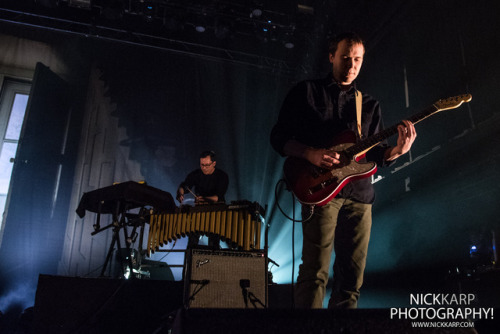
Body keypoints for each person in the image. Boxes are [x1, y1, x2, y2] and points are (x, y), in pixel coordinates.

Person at [270, 32, 417, 309]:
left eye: (358, 60)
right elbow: (278, 137)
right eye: (346, 58)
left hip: (360, 196)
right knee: (315, 271)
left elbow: (375, 154)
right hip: (321, 190)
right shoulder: (306, 92)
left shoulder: (369, 104)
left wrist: (398, 151)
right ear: (331, 57)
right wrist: (310, 153)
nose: (351, 66)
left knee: (351, 277)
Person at [176, 150, 229, 248]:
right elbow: (185, 186)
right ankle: (190, 259)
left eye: (207, 165)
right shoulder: (196, 174)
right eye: (202, 165)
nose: (204, 168)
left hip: (216, 213)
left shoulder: (222, 176)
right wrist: (181, 192)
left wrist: (204, 199)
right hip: (198, 212)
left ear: (214, 163)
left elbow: (218, 196)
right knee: (192, 243)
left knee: (213, 245)